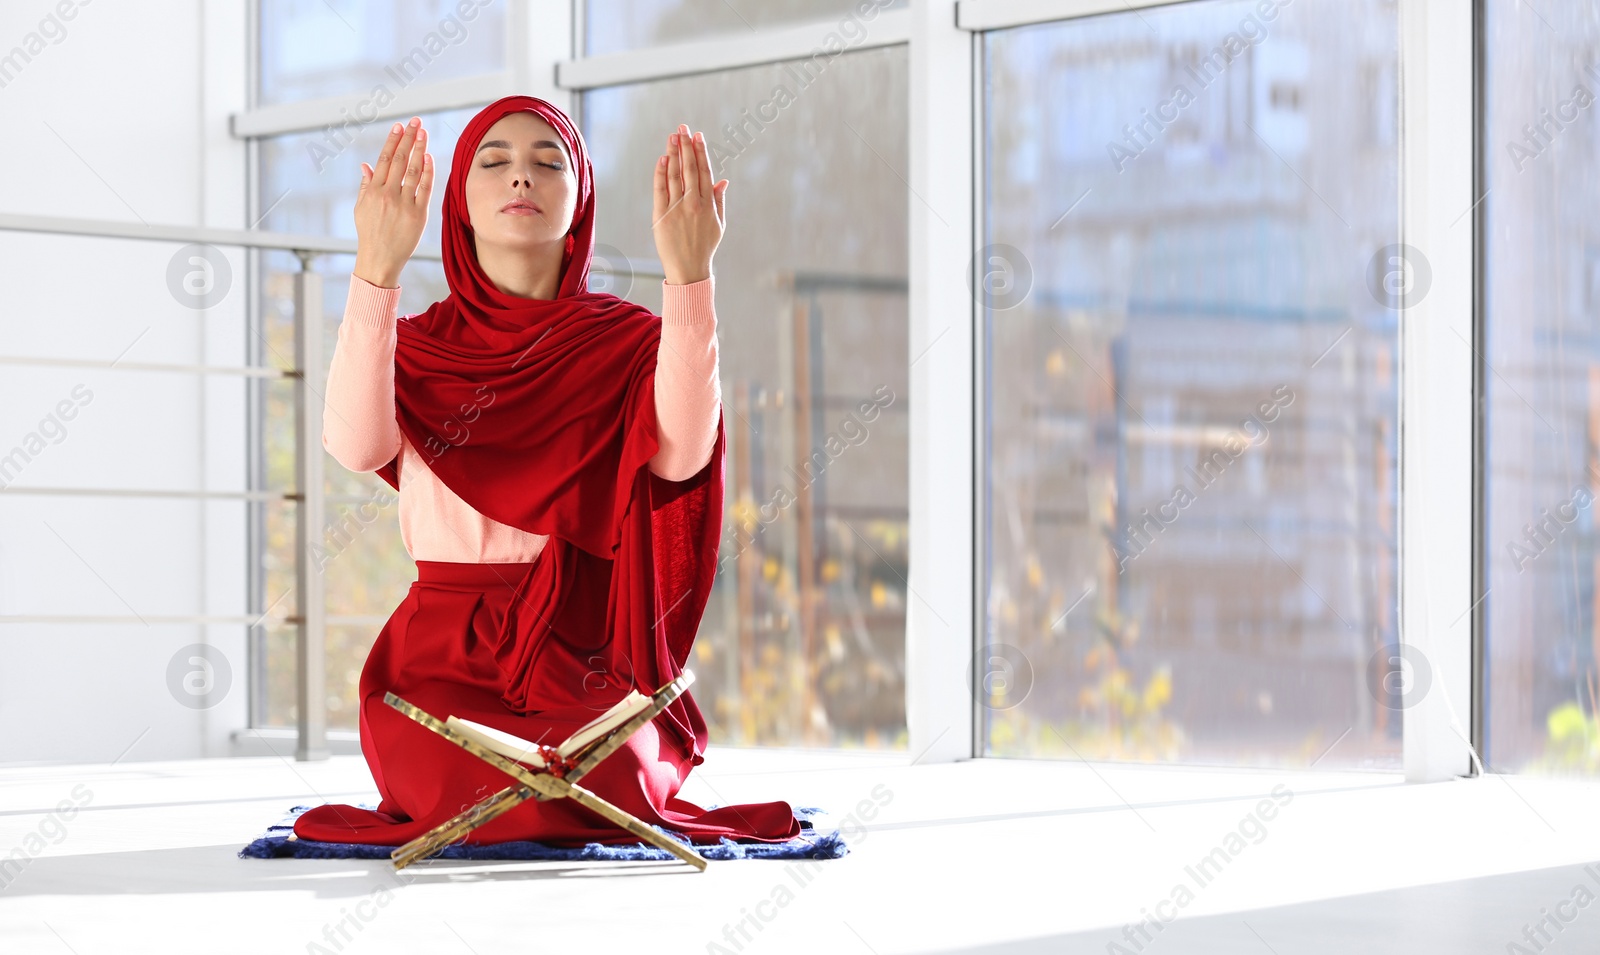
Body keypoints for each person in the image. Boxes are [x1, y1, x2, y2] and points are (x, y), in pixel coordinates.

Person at [291, 95, 800, 848]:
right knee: (456, 771)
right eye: (493, 163)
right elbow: (356, 445)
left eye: (547, 162)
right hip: (439, 662)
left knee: (609, 773)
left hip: (590, 657)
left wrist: (691, 277)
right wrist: (375, 268)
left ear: (582, 194)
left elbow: (684, 455)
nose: (520, 179)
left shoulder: (628, 340)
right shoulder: (418, 345)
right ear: (458, 199)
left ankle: (556, 789)